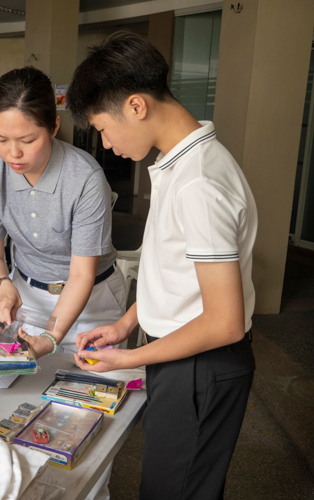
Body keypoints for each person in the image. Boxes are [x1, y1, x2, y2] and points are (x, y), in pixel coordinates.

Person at [68, 32, 257, 500]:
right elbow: (177, 272)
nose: (107, 145)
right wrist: (127, 323)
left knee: (174, 489)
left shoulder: (199, 183)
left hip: (200, 362)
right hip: (181, 352)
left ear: (136, 105)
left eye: (104, 129)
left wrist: (128, 358)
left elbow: (226, 322)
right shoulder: (181, 163)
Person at [0, 67, 124, 500]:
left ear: (54, 126)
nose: (13, 153)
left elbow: (81, 272)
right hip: (28, 296)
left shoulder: (84, 177)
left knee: (90, 420)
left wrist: (55, 336)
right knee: (20, 409)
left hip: (93, 302)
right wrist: (2, 285)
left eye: (28, 140)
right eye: (1, 140)